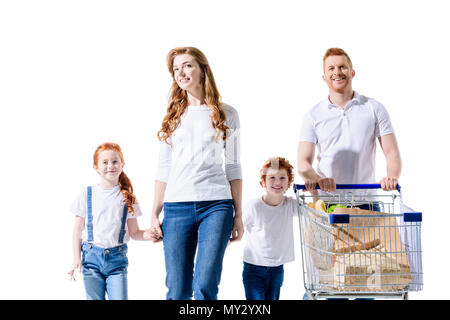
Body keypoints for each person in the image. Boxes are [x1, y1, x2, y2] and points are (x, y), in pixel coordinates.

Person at [147, 47, 243, 300]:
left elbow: (233, 166)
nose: (181, 72)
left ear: (202, 70)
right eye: (176, 69)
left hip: (217, 206)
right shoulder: (173, 117)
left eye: (187, 65)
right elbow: (163, 168)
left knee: (205, 285)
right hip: (176, 208)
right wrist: (155, 213)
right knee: (177, 290)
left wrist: (239, 215)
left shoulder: (227, 114)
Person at [298, 47, 402, 200]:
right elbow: (303, 162)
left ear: (352, 72)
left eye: (342, 67)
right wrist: (318, 179)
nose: (337, 72)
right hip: (326, 203)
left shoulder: (374, 108)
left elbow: (392, 153)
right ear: (324, 77)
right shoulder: (313, 115)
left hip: (365, 201)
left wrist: (391, 177)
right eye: (331, 68)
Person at [68, 142, 150, 300]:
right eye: (104, 162)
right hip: (91, 260)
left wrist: (150, 234)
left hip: (117, 261)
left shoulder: (128, 198)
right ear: (96, 167)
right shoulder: (87, 194)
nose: (110, 166)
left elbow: (134, 233)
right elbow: (77, 230)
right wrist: (76, 258)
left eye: (114, 161)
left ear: (122, 164)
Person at [242, 157, 297, 300]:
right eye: (272, 177)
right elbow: (236, 227)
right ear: (263, 182)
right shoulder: (254, 207)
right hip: (253, 267)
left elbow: (311, 213)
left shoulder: (290, 205)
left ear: (288, 183)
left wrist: (314, 190)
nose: (277, 182)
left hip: (277, 269)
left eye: (282, 178)